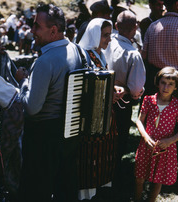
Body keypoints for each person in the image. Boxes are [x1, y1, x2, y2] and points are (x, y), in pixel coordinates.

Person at [19, 4, 90, 202]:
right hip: (70, 134)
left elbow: (32, 108)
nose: (32, 31)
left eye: (36, 26)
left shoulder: (45, 61)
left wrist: (23, 83)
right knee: (65, 189)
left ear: (53, 30)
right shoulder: (79, 51)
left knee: (35, 192)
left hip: (42, 138)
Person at [141, 0, 178, 163]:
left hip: (156, 79)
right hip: (177, 81)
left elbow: (144, 56)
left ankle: (150, 161)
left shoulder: (153, 26)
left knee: (153, 119)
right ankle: (170, 164)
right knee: (177, 123)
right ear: (176, 4)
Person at [104, 10, 146, 199]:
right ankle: (112, 179)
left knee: (101, 138)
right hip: (121, 104)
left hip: (101, 100)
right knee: (118, 141)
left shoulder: (106, 43)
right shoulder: (133, 54)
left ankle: (99, 177)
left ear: (115, 26)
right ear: (135, 27)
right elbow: (136, 88)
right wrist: (129, 91)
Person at [78, 18, 118, 200]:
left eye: (110, 34)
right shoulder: (83, 55)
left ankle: (97, 189)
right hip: (89, 118)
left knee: (101, 153)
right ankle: (85, 193)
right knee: (88, 156)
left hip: (103, 115)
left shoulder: (100, 54)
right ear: (94, 34)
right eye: (105, 35)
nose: (109, 39)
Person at [135, 67, 178, 202]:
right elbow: (139, 121)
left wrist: (170, 141)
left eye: (170, 84)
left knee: (158, 179)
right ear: (158, 83)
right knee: (140, 177)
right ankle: (137, 198)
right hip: (147, 145)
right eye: (163, 82)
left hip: (164, 148)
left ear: (176, 87)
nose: (166, 87)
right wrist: (145, 137)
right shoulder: (148, 100)